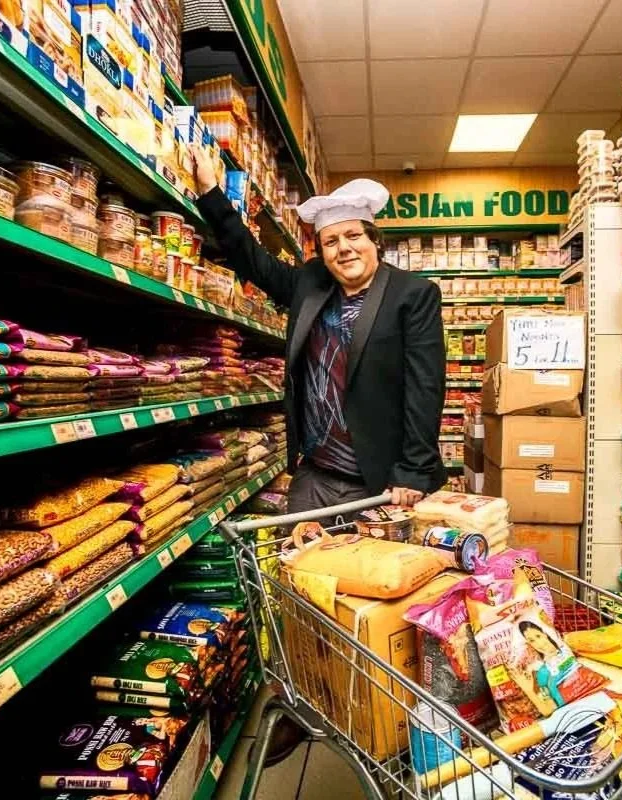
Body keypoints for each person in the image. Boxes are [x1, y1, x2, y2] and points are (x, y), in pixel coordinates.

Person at [189, 144, 447, 761]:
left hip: (382, 480)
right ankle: (304, 705)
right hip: (317, 472)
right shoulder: (309, 284)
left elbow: (425, 385)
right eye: (332, 242)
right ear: (321, 251)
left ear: (374, 240)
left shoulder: (413, 294)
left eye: (354, 237)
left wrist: (413, 470)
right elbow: (251, 260)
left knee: (378, 600)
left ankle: (386, 714)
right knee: (298, 593)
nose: (344, 249)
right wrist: (210, 193)